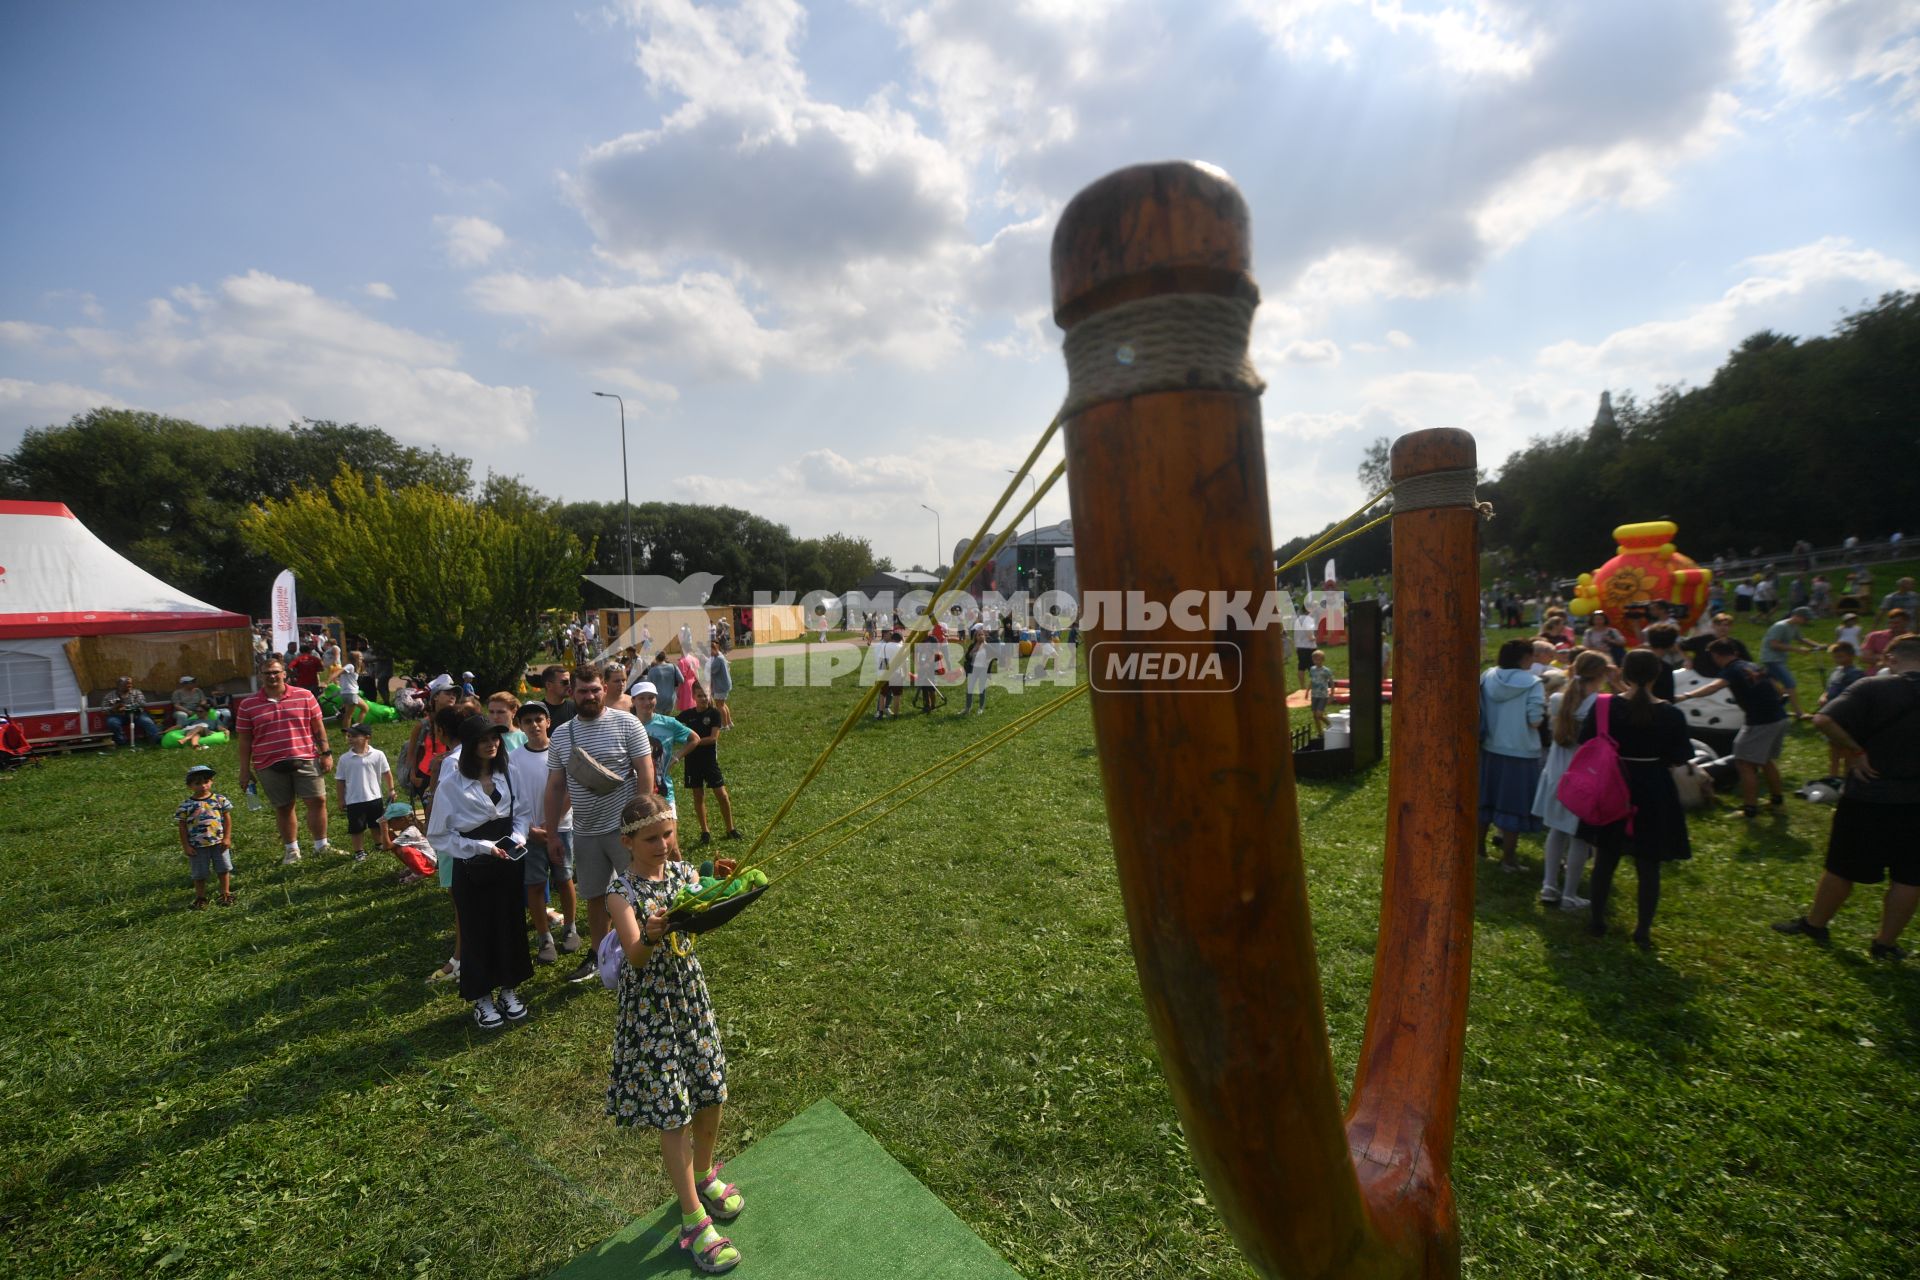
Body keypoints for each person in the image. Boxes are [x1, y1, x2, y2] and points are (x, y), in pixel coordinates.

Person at [602, 794, 744, 1276]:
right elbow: (635, 956)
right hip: (652, 1013)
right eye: (650, 839)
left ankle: (703, 1172)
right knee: (673, 1114)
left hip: (689, 998)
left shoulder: (682, 874)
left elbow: (703, 900)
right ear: (628, 842)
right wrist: (653, 933)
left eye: (668, 834)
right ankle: (692, 1220)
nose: (662, 845)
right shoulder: (621, 892)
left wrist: (720, 880)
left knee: (712, 1092)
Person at [1773, 634, 1920, 960]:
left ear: (1893, 659)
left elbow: (1824, 718)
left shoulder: (1874, 687)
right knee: (1910, 877)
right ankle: (1885, 944)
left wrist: (1855, 751)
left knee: (1841, 867)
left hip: (1870, 793)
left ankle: (1815, 924)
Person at [544, 665, 655, 985]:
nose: (589, 696)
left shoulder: (627, 723)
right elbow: (554, 787)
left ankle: (646, 951)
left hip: (626, 830)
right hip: (586, 831)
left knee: (639, 891)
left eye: (594, 690)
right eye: (582, 691)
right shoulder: (562, 735)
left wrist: (640, 820)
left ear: (604, 689)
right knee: (595, 896)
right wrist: (552, 833)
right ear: (572, 693)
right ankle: (599, 955)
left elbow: (644, 772)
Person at [1577, 650, 1693, 949]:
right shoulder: (1670, 713)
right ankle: (1642, 930)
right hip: (1654, 787)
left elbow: (1585, 740)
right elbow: (1679, 756)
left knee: (1605, 857)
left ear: (1624, 673)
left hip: (1612, 783)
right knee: (1648, 864)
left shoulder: (1605, 706)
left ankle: (1596, 920)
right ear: (1656, 675)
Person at [428, 714, 534, 1030]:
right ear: (470, 745)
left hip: (509, 862)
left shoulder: (510, 772)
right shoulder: (451, 784)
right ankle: (481, 998)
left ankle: (509, 989)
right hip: (474, 866)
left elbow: (523, 813)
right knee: (477, 928)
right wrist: (482, 848)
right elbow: (439, 835)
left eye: (495, 738)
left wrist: (518, 838)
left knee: (510, 923)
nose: (491, 744)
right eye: (484, 739)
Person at [1532, 650, 1610, 912]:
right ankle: (1569, 895)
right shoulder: (1600, 705)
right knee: (1579, 838)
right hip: (1583, 779)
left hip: (1556, 775)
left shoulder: (1557, 699)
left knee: (1556, 831)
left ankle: (1549, 885)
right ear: (1601, 675)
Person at [234, 659, 333, 865]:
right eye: (267, 673)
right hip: (268, 763)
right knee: (284, 806)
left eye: (275, 672)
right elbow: (244, 740)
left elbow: (318, 727)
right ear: (260, 676)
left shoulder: (305, 696)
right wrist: (244, 770)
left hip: (306, 757)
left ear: (284, 674)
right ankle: (292, 851)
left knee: (318, 801)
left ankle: (322, 846)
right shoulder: (247, 705)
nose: (272, 676)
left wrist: (326, 753)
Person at [1676, 640, 1791, 818]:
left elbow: (1714, 687)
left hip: (1760, 722)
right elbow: (1777, 688)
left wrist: (1686, 696)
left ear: (1716, 655)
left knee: (1743, 762)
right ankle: (1777, 802)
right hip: (1779, 717)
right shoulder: (1751, 666)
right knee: (1766, 760)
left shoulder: (1731, 670)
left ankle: (1749, 809)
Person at [509, 701, 580, 964]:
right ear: (520, 726)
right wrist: (529, 828)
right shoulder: (513, 759)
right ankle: (544, 937)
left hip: (560, 828)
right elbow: (510, 797)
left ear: (548, 722)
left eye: (539, 719)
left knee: (564, 878)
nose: (534, 725)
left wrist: (551, 826)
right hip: (529, 834)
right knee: (535, 884)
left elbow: (571, 790)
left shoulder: (562, 752)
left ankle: (570, 927)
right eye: (527, 721)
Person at [1478, 638, 1546, 874]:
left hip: (1489, 747)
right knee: (1513, 808)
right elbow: (1535, 720)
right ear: (1525, 658)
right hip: (1520, 752)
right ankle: (1508, 859)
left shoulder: (1487, 676)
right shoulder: (1534, 683)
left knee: (1485, 803)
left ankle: (1479, 850)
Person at [676, 682, 739, 844]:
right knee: (698, 796)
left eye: (706, 695)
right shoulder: (687, 715)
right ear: (693, 697)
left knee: (722, 795)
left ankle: (730, 828)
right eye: (700, 695)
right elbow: (671, 725)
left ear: (710, 695)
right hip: (692, 762)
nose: (703, 698)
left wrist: (692, 743)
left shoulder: (714, 714)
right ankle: (705, 832)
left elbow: (713, 738)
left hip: (709, 762)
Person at [631, 681, 697, 814]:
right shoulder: (627, 725)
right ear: (633, 700)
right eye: (641, 698)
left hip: (664, 790)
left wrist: (675, 758)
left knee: (669, 830)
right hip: (633, 793)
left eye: (651, 697)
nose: (647, 702)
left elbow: (694, 739)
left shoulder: (669, 723)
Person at [176, 763, 234, 909]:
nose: (203, 786)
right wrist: (186, 846)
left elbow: (227, 819)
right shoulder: (186, 806)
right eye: (197, 783)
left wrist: (227, 838)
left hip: (218, 843)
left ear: (211, 782)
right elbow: (182, 826)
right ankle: (201, 897)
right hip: (197, 846)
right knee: (199, 873)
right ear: (190, 786)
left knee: (223, 868)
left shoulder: (219, 800)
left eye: (206, 782)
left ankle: (225, 893)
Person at [335, 721, 394, 864]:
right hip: (354, 800)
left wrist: (391, 789)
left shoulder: (378, 755)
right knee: (356, 828)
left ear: (367, 737)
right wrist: (341, 799)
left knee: (376, 824)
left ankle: (379, 843)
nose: (350, 738)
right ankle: (359, 851)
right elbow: (340, 780)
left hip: (374, 797)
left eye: (354, 736)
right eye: (349, 735)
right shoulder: (345, 759)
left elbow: (386, 772)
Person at [1818, 642, 1870, 776]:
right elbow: (1829, 688)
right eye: (1835, 657)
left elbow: (1852, 695)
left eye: (1841, 657)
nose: (1837, 660)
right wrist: (1824, 696)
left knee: (1847, 749)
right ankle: (1833, 776)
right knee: (1833, 747)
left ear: (1852, 656)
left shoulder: (1855, 674)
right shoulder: (1836, 671)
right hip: (1832, 714)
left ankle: (1848, 775)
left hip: (1845, 715)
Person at [1760, 607, 1821, 718]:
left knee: (1769, 685)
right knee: (1790, 684)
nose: (1807, 621)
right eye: (1805, 619)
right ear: (1796, 616)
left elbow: (1801, 639)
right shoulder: (1780, 626)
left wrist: (1818, 645)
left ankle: (1772, 708)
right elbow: (1774, 644)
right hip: (1772, 659)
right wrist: (1797, 649)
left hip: (1779, 659)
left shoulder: (1794, 626)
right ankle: (1799, 713)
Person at [1681, 613, 1752, 677]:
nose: (1723, 628)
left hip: (1724, 680)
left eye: (1726, 625)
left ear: (1731, 627)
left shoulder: (1736, 643)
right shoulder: (1702, 640)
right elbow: (1679, 645)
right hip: (1700, 678)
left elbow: (1747, 662)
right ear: (1713, 625)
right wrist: (1687, 659)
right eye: (1719, 625)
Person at [104, 676, 162, 747]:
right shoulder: (110, 695)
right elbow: (103, 709)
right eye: (126, 684)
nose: (129, 686)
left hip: (137, 714)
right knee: (112, 722)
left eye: (130, 684)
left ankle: (156, 740)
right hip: (119, 716)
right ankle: (121, 742)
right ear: (119, 685)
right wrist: (112, 708)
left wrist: (126, 707)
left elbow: (142, 703)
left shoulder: (136, 692)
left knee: (147, 721)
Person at [1861, 608, 1910, 672]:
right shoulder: (1874, 636)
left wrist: (1878, 657)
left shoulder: (1912, 639)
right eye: (1890, 623)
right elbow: (1865, 658)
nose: (1893, 626)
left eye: (1896, 623)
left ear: (1906, 622)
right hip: (1875, 675)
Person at [871, 628, 904, 719]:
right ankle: (895, 715)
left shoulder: (884, 646)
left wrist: (882, 674)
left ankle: (880, 712)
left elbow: (882, 660)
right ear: (900, 639)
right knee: (897, 695)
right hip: (897, 673)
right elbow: (904, 661)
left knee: (883, 694)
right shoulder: (901, 647)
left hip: (885, 673)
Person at [962, 624, 993, 714]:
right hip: (973, 669)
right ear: (975, 637)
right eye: (978, 635)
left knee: (981, 689)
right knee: (969, 689)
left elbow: (990, 660)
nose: (980, 636)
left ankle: (981, 708)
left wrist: (988, 672)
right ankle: (967, 708)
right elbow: (967, 657)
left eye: (982, 634)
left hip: (983, 670)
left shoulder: (987, 647)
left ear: (984, 636)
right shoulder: (972, 646)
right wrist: (973, 651)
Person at [536, 665, 576, 729]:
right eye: (565, 682)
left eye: (570, 681)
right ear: (549, 685)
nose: (569, 685)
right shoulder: (537, 712)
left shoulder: (576, 708)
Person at [707, 646, 734, 730]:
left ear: (715, 649)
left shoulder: (718, 659)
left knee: (719, 705)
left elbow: (711, 670)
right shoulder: (721, 657)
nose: (709, 653)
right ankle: (729, 723)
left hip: (720, 685)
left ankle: (724, 725)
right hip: (724, 684)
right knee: (722, 704)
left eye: (710, 651)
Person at [1308, 650, 1335, 734]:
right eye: (1314, 659)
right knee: (1315, 716)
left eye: (1318, 659)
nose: (1316, 661)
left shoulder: (1326, 670)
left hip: (1323, 696)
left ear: (1323, 660)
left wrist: (1331, 695)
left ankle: (1330, 724)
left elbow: (1331, 683)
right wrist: (1307, 691)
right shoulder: (1312, 669)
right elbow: (1311, 680)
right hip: (1314, 695)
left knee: (1319, 715)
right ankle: (1320, 733)